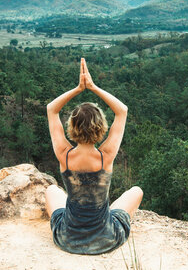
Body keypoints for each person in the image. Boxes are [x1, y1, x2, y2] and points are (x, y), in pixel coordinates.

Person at [45, 58, 143, 255]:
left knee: (51, 190)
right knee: (137, 191)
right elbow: (122, 111)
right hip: (105, 238)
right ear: (101, 127)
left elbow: (51, 109)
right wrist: (93, 86)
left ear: (72, 127)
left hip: (67, 238)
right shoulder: (105, 156)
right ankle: (106, 215)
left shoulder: (64, 155)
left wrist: (78, 88)